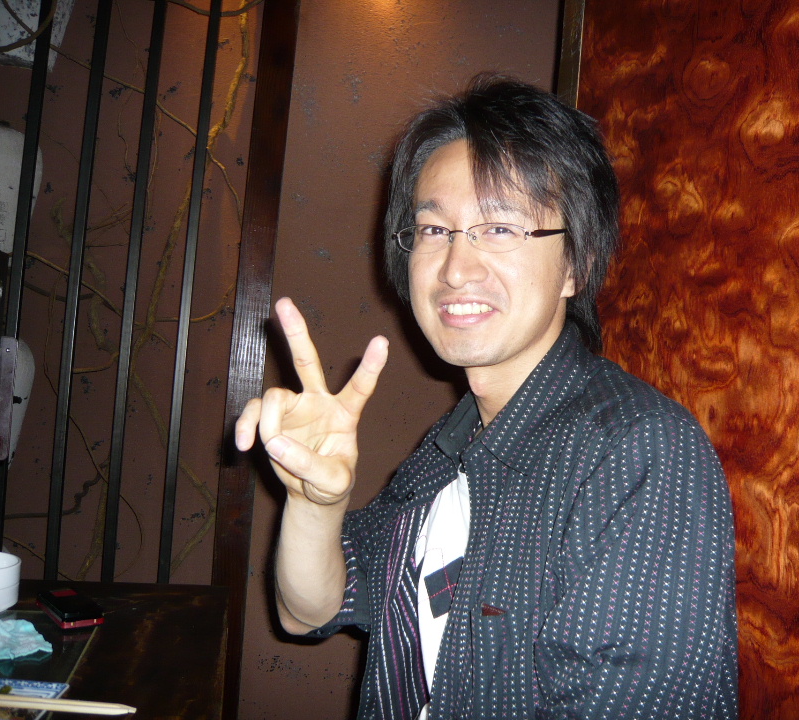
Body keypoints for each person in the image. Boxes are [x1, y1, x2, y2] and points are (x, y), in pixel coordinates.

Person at [236, 74, 739, 719]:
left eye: (500, 227)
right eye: (433, 230)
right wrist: (314, 504)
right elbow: (308, 610)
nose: (455, 268)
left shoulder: (640, 454)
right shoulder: (448, 448)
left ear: (576, 264)